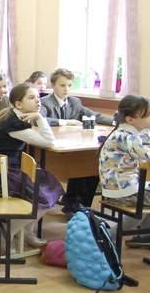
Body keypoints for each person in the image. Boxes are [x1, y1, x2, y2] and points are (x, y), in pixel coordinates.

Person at [0, 83, 65, 247]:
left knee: (48, 182)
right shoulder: (13, 124)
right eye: (32, 98)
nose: (38, 101)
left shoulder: (12, 116)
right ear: (19, 104)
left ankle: (27, 231)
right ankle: (9, 231)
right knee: (46, 193)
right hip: (0, 175)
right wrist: (40, 118)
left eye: (38, 97)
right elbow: (49, 142)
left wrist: (38, 118)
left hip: (0, 170)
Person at [40, 68, 114, 213]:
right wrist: (66, 122)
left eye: (69, 85)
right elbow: (41, 119)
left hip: (73, 146)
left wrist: (115, 121)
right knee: (78, 166)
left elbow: (94, 115)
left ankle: (81, 205)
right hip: (54, 149)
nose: (66, 89)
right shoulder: (44, 102)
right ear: (53, 85)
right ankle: (72, 202)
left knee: (89, 166)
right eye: (62, 85)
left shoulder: (75, 102)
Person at [99, 95, 150, 247]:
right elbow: (146, 155)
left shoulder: (128, 132)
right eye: (147, 115)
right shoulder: (125, 136)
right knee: (140, 207)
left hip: (123, 188)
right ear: (130, 119)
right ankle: (108, 236)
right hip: (124, 191)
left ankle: (144, 234)